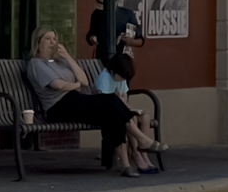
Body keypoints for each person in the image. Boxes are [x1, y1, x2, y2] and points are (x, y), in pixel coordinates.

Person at [25, 27, 158, 176]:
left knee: (113, 114)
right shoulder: (36, 64)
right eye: (48, 39)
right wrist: (76, 85)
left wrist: (68, 57)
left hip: (75, 101)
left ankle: (126, 165)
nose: (53, 42)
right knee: (112, 101)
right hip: (57, 107)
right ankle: (141, 140)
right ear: (38, 42)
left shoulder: (61, 61)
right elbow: (59, 85)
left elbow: (84, 80)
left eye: (55, 39)